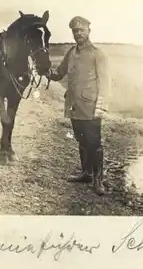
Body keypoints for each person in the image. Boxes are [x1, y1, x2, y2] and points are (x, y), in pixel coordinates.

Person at [45, 16, 111, 195]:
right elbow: (59, 74)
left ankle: (99, 181)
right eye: (75, 31)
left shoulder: (98, 53)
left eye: (82, 30)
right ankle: (86, 173)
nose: (78, 33)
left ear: (89, 30)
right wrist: (45, 72)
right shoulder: (71, 53)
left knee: (94, 143)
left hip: (90, 107)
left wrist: (101, 106)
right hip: (74, 106)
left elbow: (105, 82)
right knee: (81, 140)